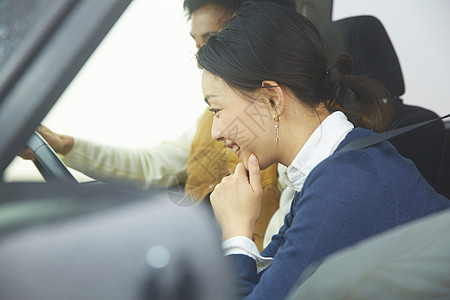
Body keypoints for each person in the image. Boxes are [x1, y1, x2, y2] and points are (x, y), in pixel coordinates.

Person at [196, 1, 450, 299]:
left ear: (273, 100)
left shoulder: (346, 182)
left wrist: (236, 232)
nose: (215, 133)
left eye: (217, 110)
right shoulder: (333, 170)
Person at [20, 0, 295, 252]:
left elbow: (278, 256)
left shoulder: (288, 135)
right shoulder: (211, 121)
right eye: (197, 44)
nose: (200, 60)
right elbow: (152, 165)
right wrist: (67, 145)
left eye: (213, 42)